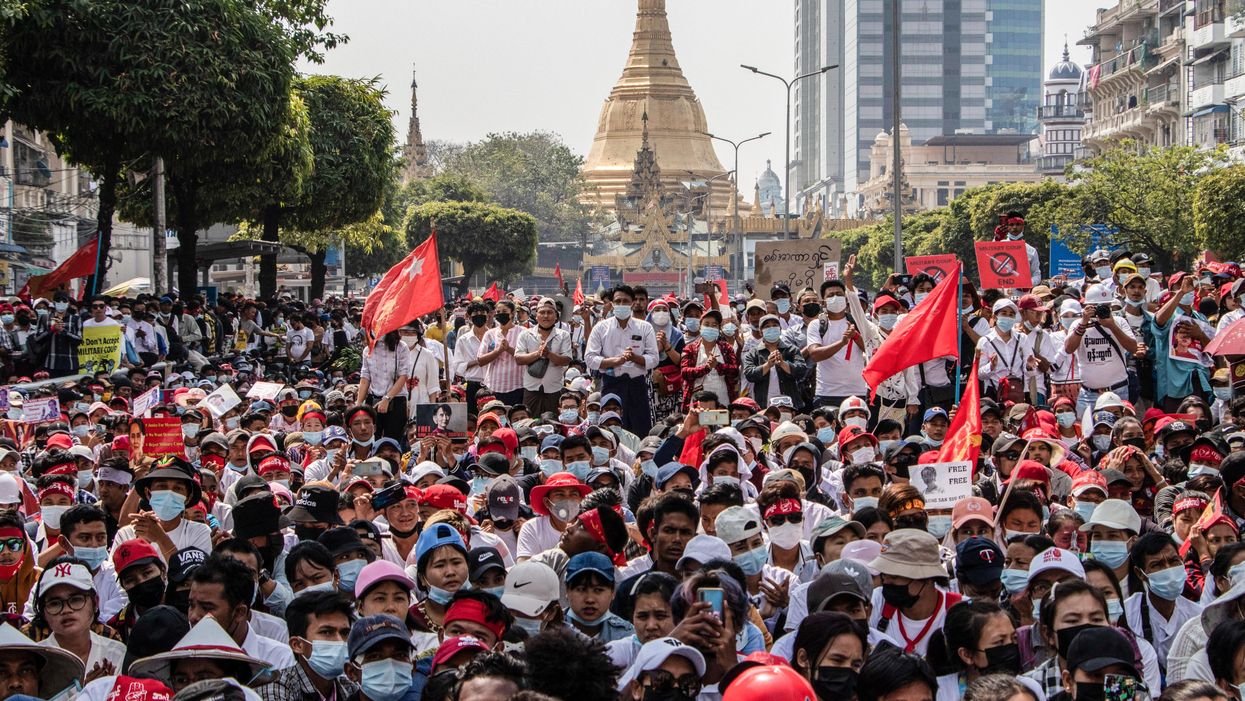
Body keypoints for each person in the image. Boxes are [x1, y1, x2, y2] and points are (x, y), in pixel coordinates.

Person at [584, 285, 659, 436]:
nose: (621, 304)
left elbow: (654, 358)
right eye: (618, 301)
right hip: (612, 383)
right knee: (610, 431)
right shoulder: (601, 328)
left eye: (625, 301)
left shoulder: (645, 327)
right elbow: (590, 358)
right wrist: (614, 361)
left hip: (637, 384)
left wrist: (635, 358)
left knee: (640, 431)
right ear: (611, 303)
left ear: (632, 303)